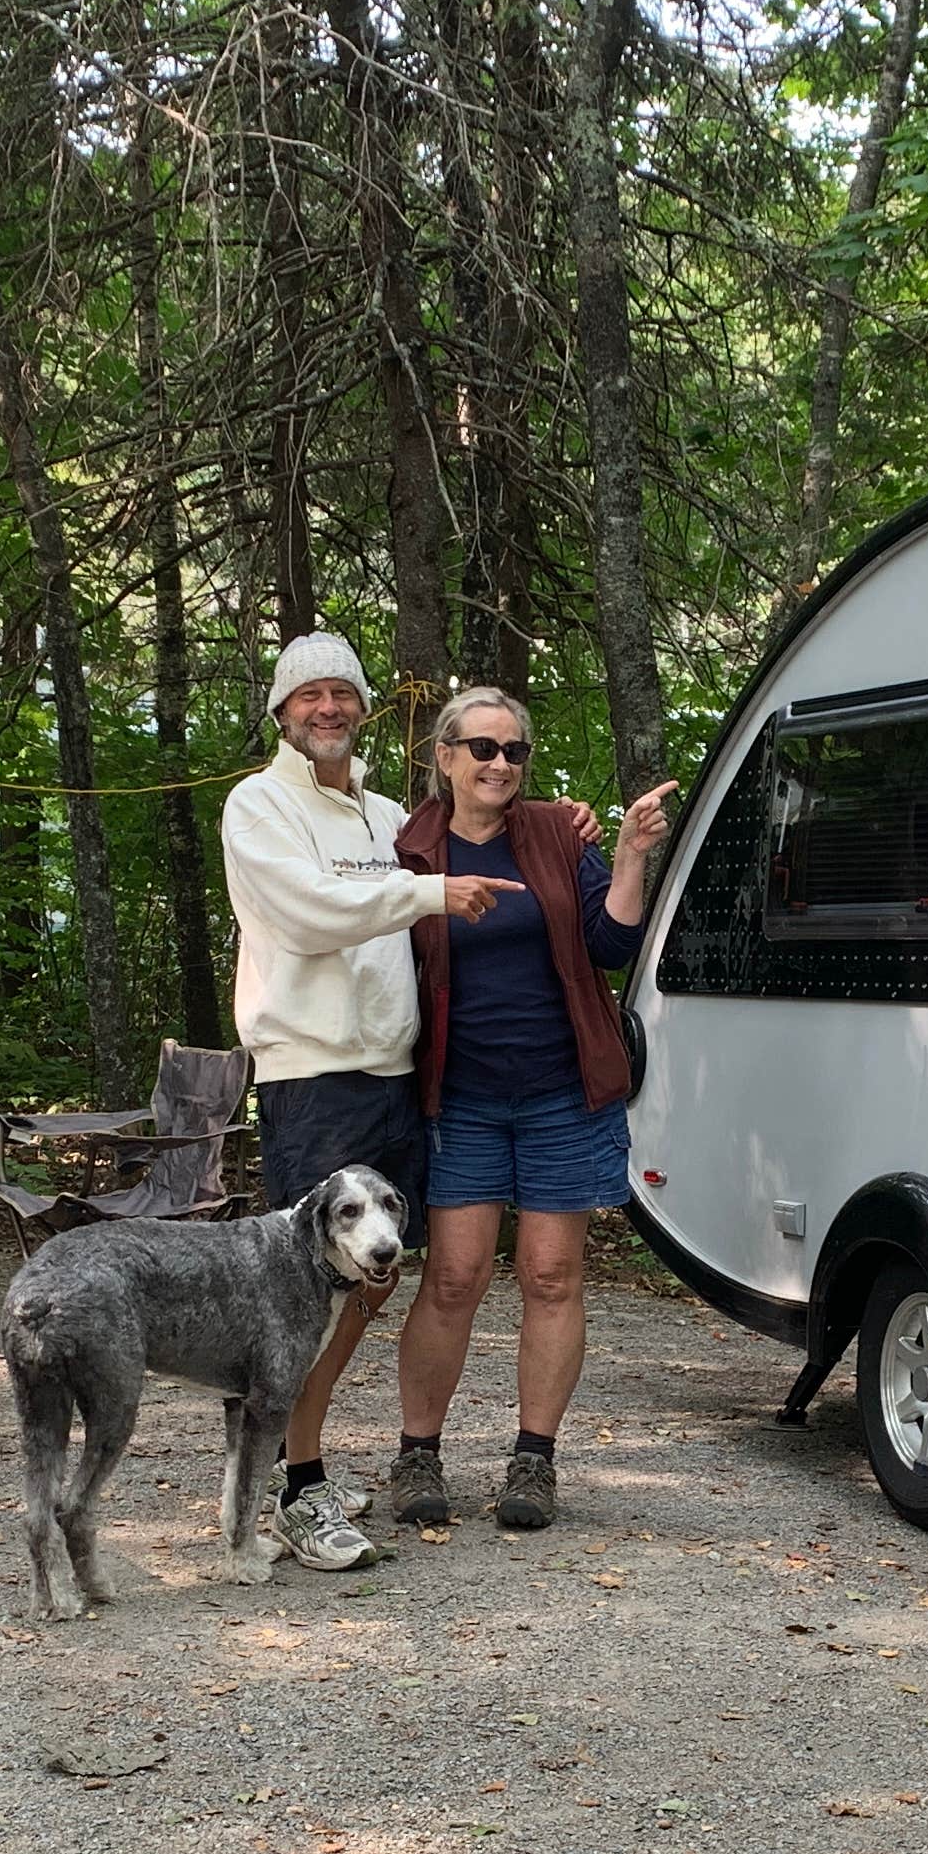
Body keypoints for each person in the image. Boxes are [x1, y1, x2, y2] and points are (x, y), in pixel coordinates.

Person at [216, 634, 527, 1570]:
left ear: (362, 710)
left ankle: (284, 1460)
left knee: (365, 1285)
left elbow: (480, 824)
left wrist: (573, 830)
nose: (327, 709)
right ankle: (293, 1487)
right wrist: (426, 892)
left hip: (395, 1077)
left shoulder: (388, 814)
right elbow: (310, 912)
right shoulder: (259, 805)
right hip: (314, 1078)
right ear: (281, 712)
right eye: (307, 696)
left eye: (342, 695)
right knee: (304, 1296)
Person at [389, 685, 679, 1531]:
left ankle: (533, 1461)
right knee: (452, 1278)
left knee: (553, 1276)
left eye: (514, 751)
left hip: (563, 1094)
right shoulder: (408, 848)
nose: (500, 764)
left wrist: (626, 857)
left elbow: (611, 943)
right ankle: (418, 1456)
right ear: (444, 757)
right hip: (460, 1098)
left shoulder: (557, 833)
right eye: (482, 748)